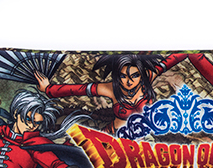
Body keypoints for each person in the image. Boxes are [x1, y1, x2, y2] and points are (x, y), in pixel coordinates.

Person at [35, 53, 187, 133]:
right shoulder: (112, 88)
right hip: (115, 137)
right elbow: (78, 89)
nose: (129, 82)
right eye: (123, 76)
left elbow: (171, 60)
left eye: (135, 76)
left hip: (145, 137)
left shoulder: (147, 78)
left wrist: (192, 54)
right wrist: (49, 89)